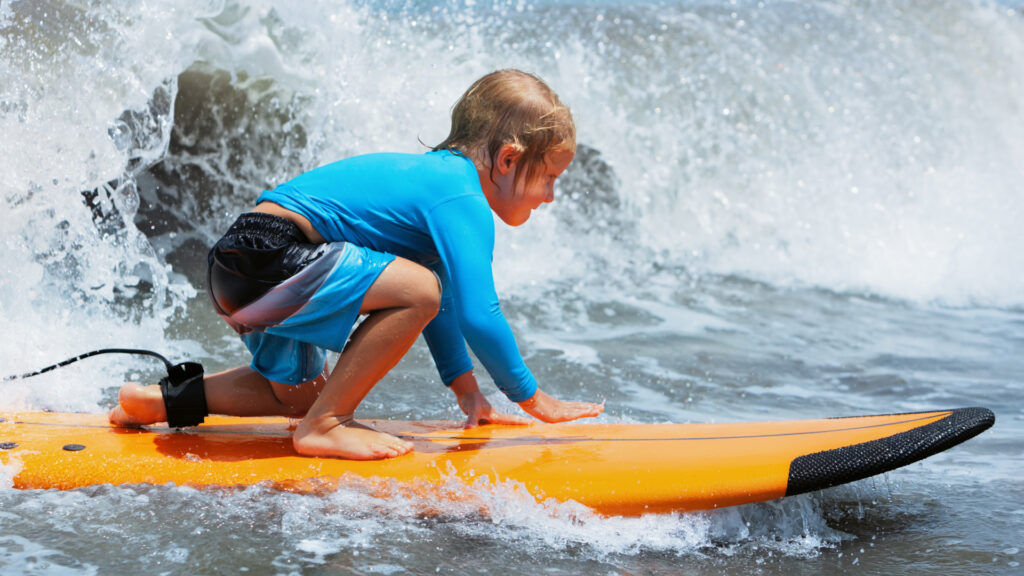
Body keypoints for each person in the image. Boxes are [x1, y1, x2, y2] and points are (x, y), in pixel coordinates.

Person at [109, 69, 604, 460]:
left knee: (299, 396)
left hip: (238, 269)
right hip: (271, 254)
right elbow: (478, 313)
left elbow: (447, 304)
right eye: (550, 178)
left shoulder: (436, 184)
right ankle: (325, 427)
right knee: (419, 289)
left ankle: (157, 402)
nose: (552, 196)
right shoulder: (459, 194)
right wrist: (532, 398)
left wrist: (470, 395)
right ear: (509, 160)